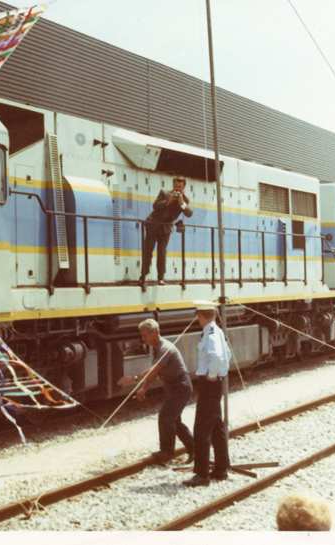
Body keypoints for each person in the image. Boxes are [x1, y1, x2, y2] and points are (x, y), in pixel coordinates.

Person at [118, 319, 194, 465]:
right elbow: (154, 373)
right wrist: (144, 388)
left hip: (181, 387)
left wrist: (134, 378)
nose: (143, 338)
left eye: (145, 335)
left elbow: (154, 369)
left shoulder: (166, 348)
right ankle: (194, 449)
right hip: (174, 387)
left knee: (166, 417)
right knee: (174, 421)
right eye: (142, 335)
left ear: (155, 333)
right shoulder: (157, 348)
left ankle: (166, 453)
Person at [184, 301, 232, 487]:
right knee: (217, 427)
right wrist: (220, 374)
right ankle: (221, 468)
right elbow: (226, 354)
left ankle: (201, 474)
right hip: (215, 384)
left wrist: (212, 375)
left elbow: (218, 356)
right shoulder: (216, 331)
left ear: (200, 315)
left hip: (209, 384)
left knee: (202, 429)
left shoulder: (210, 334)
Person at [140, 177, 192, 285]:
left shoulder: (185, 200)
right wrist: (168, 201)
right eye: (176, 186)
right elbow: (155, 206)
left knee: (162, 253)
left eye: (180, 187)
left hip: (166, 228)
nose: (178, 189)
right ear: (173, 185)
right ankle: (143, 276)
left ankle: (161, 278)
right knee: (148, 251)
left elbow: (189, 213)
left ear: (184, 187)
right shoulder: (164, 193)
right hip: (153, 225)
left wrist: (181, 202)